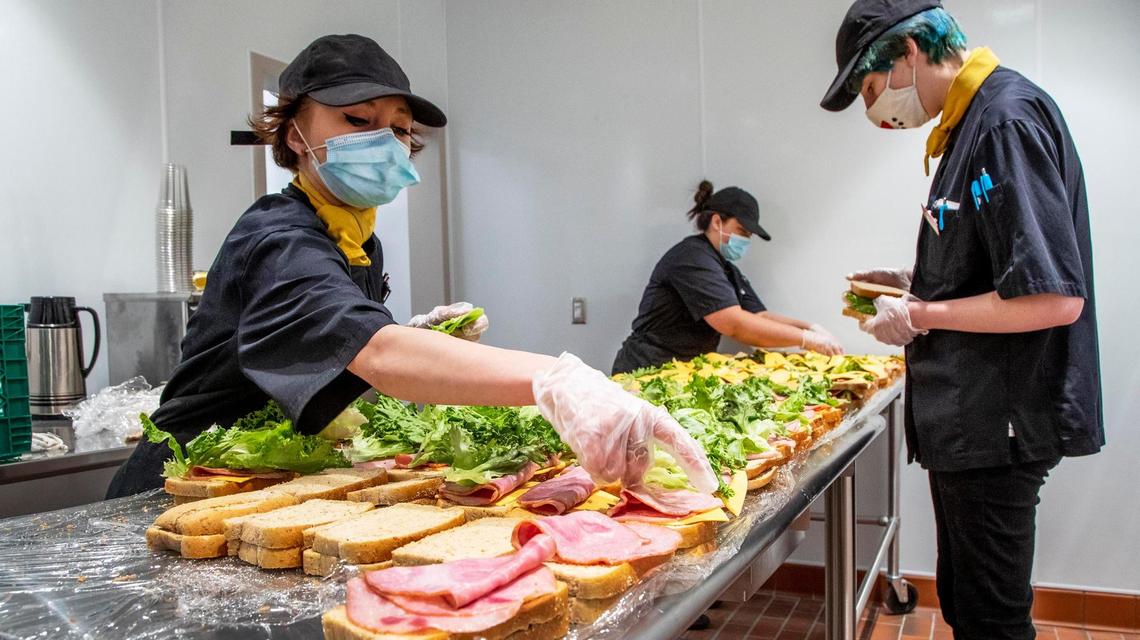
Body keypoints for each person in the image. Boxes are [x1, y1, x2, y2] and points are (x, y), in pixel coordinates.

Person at [106, 34, 716, 500]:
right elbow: (378, 355)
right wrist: (557, 380)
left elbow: (335, 353)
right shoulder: (279, 237)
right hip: (178, 482)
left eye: (397, 129)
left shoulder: (357, 240)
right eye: (357, 120)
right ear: (294, 135)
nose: (384, 141)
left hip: (259, 478)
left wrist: (412, 338)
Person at [820, 2, 1104, 638]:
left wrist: (919, 313)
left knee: (990, 619)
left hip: (997, 420)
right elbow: (996, 266)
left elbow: (1052, 298)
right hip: (972, 422)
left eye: (872, 88)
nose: (876, 112)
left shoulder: (1003, 122)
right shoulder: (969, 126)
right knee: (966, 601)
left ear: (908, 52)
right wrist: (915, 281)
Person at [612, 181, 843, 375]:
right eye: (742, 231)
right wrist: (805, 339)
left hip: (683, 370)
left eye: (749, 235)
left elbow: (759, 317)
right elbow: (733, 324)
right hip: (647, 369)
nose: (746, 240)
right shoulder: (692, 257)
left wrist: (811, 328)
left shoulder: (726, 268)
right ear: (716, 222)